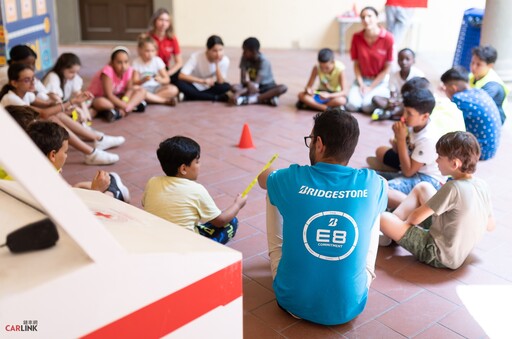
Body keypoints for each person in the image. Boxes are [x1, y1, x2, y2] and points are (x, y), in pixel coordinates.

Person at [257, 108, 388, 325]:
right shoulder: (374, 182)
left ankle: (289, 265)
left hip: (292, 301)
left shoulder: (290, 178)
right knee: (375, 205)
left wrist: (271, 171)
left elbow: (263, 179)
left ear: (319, 144)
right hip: (349, 307)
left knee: (274, 188)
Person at [380, 131, 495, 269]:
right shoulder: (481, 184)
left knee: (383, 218)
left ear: (454, 164)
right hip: (457, 248)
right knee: (423, 187)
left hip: (438, 253)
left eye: (439, 157)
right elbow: (490, 225)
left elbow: (415, 218)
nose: (436, 161)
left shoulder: (453, 187)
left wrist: (403, 226)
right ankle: (390, 233)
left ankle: (389, 230)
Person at [0, 63, 122, 165]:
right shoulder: (11, 98)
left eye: (33, 78)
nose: (33, 83)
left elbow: (48, 105)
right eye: (27, 80)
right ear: (14, 83)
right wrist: (72, 101)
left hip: (25, 132)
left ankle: (97, 139)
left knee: (58, 115)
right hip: (14, 139)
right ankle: (91, 152)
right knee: (52, 119)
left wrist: (58, 101)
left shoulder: (26, 94)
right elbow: (43, 114)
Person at [142, 136, 247, 244]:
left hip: (154, 241)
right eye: (197, 162)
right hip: (186, 248)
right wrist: (237, 204)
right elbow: (220, 221)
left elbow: (145, 203)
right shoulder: (196, 190)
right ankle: (208, 250)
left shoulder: (152, 181)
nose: (199, 165)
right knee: (231, 222)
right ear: (183, 169)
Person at [368, 88, 444, 209]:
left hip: (428, 180)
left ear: (424, 116)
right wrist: (397, 139)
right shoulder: (413, 124)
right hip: (411, 168)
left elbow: (408, 172)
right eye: (404, 111)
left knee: (383, 188)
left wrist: (401, 139)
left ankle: (418, 209)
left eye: (409, 113)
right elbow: (400, 153)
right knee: (372, 177)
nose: (404, 116)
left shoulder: (428, 138)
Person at [26, 120, 130, 202]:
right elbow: (75, 215)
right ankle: (113, 193)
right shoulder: (46, 185)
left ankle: (113, 190)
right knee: (96, 192)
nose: (66, 156)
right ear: (53, 155)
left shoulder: (32, 166)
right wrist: (96, 192)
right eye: (65, 152)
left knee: (78, 186)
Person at [441, 67, 501, 160]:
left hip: (481, 150)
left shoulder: (459, 99)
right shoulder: (478, 91)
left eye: (445, 88)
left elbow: (449, 124)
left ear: (453, 88)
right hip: (492, 147)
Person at [346, 6, 394, 114]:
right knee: (352, 105)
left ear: (377, 18)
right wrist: (361, 84)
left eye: (369, 16)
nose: (366, 20)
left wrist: (371, 87)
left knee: (367, 107)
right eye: (363, 17)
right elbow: (356, 64)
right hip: (362, 79)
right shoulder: (356, 37)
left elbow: (387, 68)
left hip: (380, 81)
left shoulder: (388, 38)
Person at [88, 46, 147, 122]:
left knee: (142, 91)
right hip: (102, 98)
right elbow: (109, 95)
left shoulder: (129, 70)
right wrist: (124, 106)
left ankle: (117, 112)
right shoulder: (107, 71)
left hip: (118, 97)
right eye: (119, 62)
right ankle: (130, 108)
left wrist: (125, 102)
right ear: (112, 63)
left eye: (126, 62)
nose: (123, 66)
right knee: (102, 103)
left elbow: (129, 89)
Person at [230, 37, 287, 107]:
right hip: (251, 87)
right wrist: (249, 83)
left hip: (266, 86)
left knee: (283, 88)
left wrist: (238, 93)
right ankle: (266, 99)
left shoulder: (264, 61)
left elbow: (255, 86)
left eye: (245, 51)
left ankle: (252, 100)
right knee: (234, 87)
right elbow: (243, 80)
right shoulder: (244, 58)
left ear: (253, 51)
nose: (243, 53)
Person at [371, 48, 424, 120]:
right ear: (397, 60)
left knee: (412, 107)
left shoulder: (419, 75)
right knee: (375, 98)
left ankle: (389, 113)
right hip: (397, 101)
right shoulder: (394, 74)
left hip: (409, 102)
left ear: (413, 61)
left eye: (407, 59)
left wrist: (402, 103)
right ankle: (392, 113)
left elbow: (419, 96)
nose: (404, 62)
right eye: (400, 59)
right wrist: (391, 101)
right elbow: (392, 93)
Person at [174, 35, 231, 102]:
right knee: (179, 82)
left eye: (220, 50)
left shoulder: (225, 60)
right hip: (193, 84)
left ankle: (192, 96)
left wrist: (217, 64)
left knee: (226, 86)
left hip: (209, 86)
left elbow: (220, 82)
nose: (218, 54)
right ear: (208, 50)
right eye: (214, 51)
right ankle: (215, 98)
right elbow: (181, 75)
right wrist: (203, 81)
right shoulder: (196, 57)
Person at [42, 52, 94, 123]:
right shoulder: (53, 77)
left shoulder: (72, 78)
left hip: (63, 106)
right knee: (76, 113)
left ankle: (84, 125)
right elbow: (58, 103)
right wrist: (77, 109)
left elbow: (79, 95)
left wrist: (85, 111)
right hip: (52, 109)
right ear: (62, 68)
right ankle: (81, 127)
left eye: (77, 72)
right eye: (71, 72)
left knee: (85, 107)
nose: (74, 75)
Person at [132, 34, 179, 105]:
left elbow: (167, 79)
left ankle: (149, 99)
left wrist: (161, 80)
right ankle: (164, 101)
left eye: (152, 51)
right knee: (135, 89)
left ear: (156, 51)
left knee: (174, 89)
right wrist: (143, 80)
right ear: (140, 50)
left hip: (157, 88)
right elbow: (135, 82)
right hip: (143, 89)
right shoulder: (136, 62)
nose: (150, 54)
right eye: (147, 51)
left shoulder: (157, 61)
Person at [469, 45, 509, 124]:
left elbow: (477, 105)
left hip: (494, 119)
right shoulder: (473, 75)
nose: (473, 67)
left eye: (478, 64)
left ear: (490, 66)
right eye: (472, 62)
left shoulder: (493, 85)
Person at [148, 8, 182, 84]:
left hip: (164, 69)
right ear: (155, 21)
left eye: (167, 21)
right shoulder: (148, 37)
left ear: (170, 23)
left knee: (182, 75)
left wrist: (167, 74)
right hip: (150, 68)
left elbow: (179, 62)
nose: (163, 23)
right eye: (161, 20)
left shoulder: (172, 38)